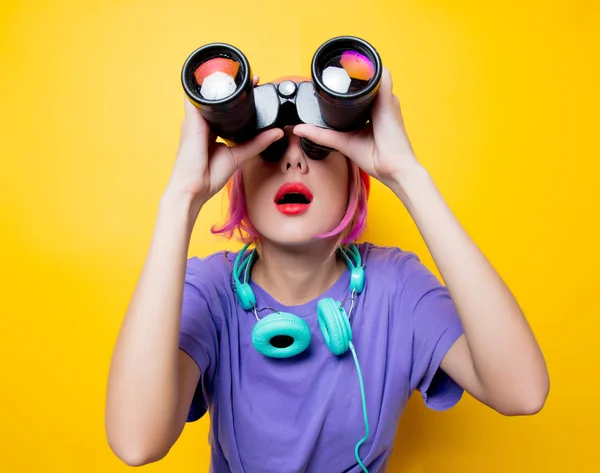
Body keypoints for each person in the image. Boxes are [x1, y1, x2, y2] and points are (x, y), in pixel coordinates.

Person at [105, 68, 549, 472]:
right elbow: (135, 443)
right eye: (272, 146)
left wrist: (409, 176)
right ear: (238, 175)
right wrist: (180, 199)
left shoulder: (396, 288)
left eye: (318, 147)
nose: (293, 162)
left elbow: (522, 393)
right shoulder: (211, 292)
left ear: (355, 175)